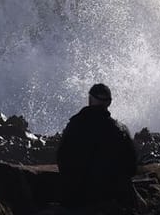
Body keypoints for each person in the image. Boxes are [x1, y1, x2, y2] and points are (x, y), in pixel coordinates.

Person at [58, 83, 138, 212]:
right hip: (113, 198)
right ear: (109, 102)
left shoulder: (75, 124)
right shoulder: (120, 130)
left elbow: (62, 158)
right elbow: (131, 168)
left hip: (77, 199)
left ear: (89, 99)